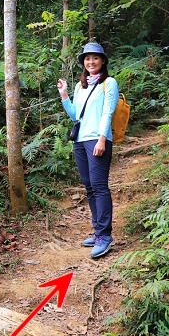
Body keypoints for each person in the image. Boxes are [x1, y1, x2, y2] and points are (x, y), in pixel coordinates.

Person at [56, 42, 119, 259]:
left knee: (100, 187)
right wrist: (64, 95)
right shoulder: (80, 86)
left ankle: (104, 235)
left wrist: (102, 139)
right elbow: (75, 116)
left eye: (95, 58)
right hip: (80, 142)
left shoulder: (108, 83)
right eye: (87, 58)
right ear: (83, 62)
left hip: (98, 139)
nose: (90, 62)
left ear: (102, 61)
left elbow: (107, 113)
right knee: (89, 187)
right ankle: (98, 230)